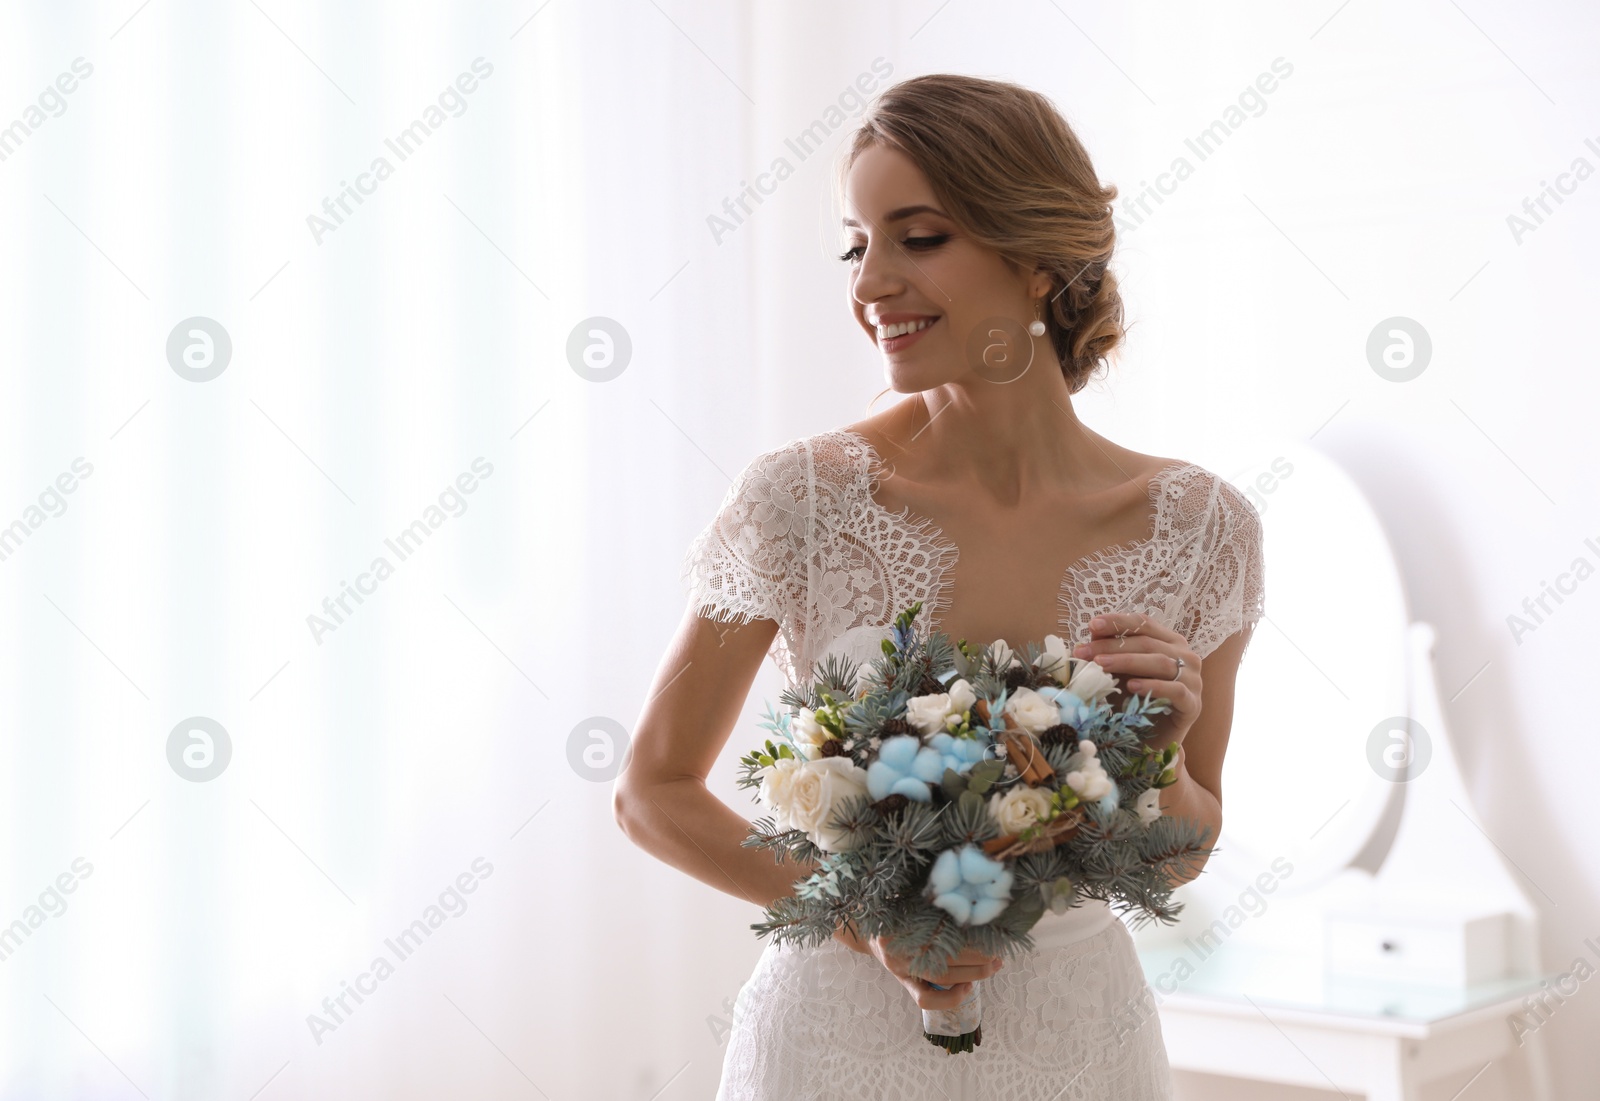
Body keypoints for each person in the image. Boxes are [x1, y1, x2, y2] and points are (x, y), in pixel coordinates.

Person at [613, 73, 1265, 1100]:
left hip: (1081, 1041)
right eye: (855, 243)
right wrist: (866, 911)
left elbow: (1181, 849)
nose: (868, 282)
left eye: (916, 239)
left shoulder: (1200, 528)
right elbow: (649, 793)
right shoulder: (801, 499)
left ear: (1038, 259)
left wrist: (1166, 746)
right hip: (833, 1044)